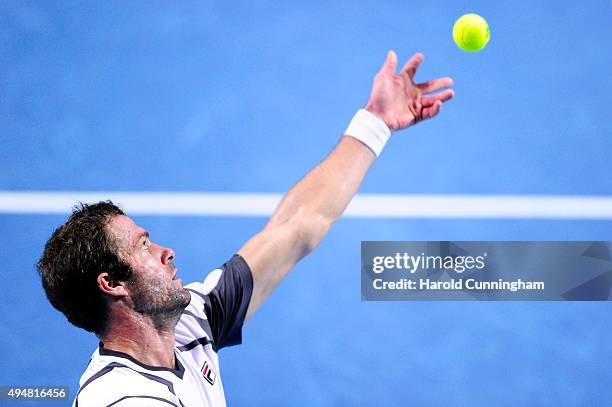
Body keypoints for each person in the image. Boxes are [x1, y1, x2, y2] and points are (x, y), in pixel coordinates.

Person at [38, 50, 453, 406]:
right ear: (112, 283)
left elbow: (294, 228)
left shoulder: (189, 324)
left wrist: (375, 122)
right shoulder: (125, 398)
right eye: (143, 246)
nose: (167, 252)